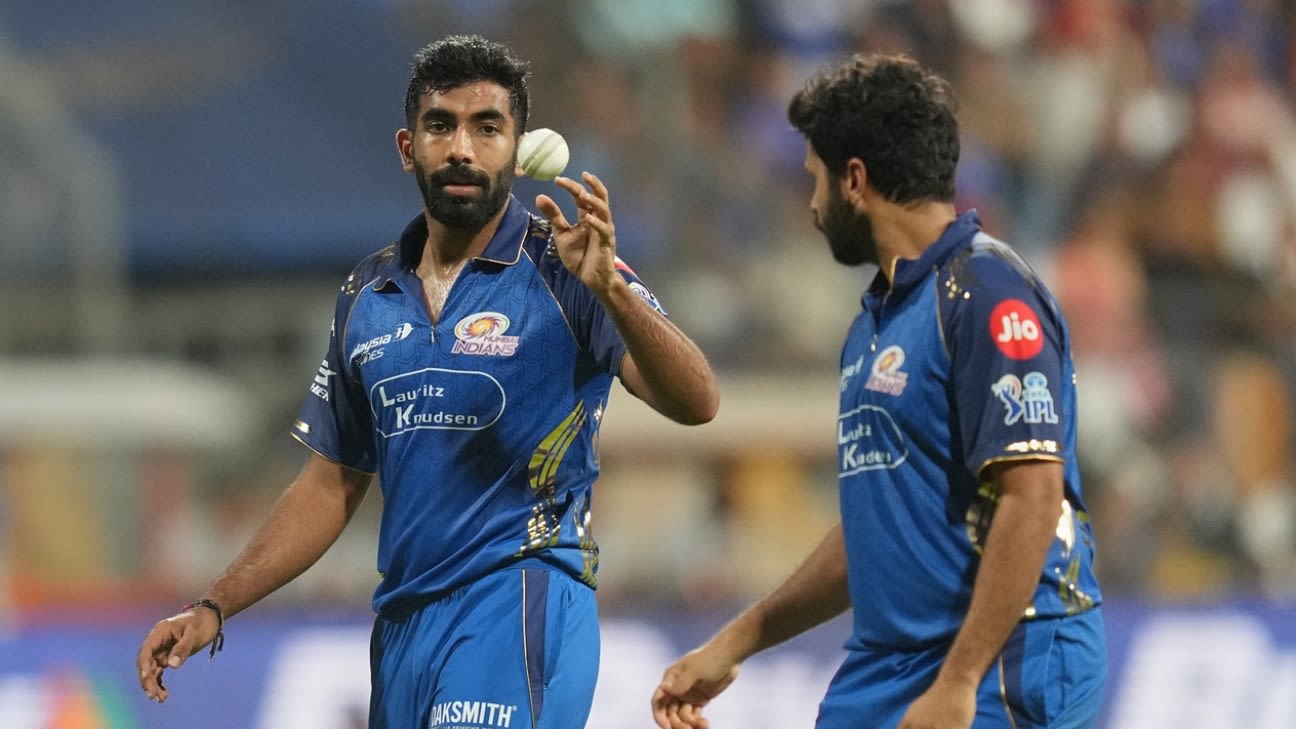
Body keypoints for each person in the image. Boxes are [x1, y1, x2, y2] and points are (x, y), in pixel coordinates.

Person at [135, 34, 719, 729]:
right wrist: (214, 605)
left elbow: (698, 401)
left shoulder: (568, 267)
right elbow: (331, 484)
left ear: (519, 148)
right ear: (408, 147)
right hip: (403, 629)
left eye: (487, 128)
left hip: (519, 602)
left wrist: (612, 292)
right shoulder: (368, 292)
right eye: (442, 126)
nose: (462, 149)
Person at [651, 53, 1105, 729]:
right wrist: (734, 642)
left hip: (1004, 656)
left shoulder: (987, 293)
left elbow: (1032, 496)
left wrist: (960, 681)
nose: (812, 204)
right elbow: (876, 529)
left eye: (816, 178)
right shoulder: (876, 320)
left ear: (855, 180)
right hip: (888, 664)